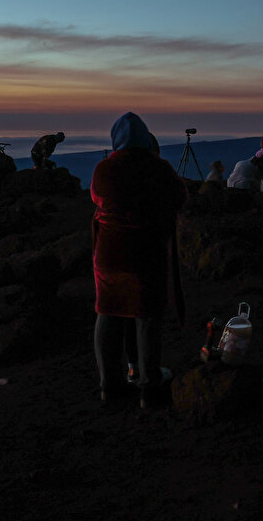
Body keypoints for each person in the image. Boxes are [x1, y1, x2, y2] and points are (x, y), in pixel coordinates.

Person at [91, 112, 187, 409]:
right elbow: (180, 198)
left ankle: (110, 386)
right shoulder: (157, 167)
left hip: (109, 254)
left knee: (108, 314)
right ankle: (149, 388)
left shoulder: (104, 169)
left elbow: (96, 198)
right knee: (147, 317)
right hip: (147, 253)